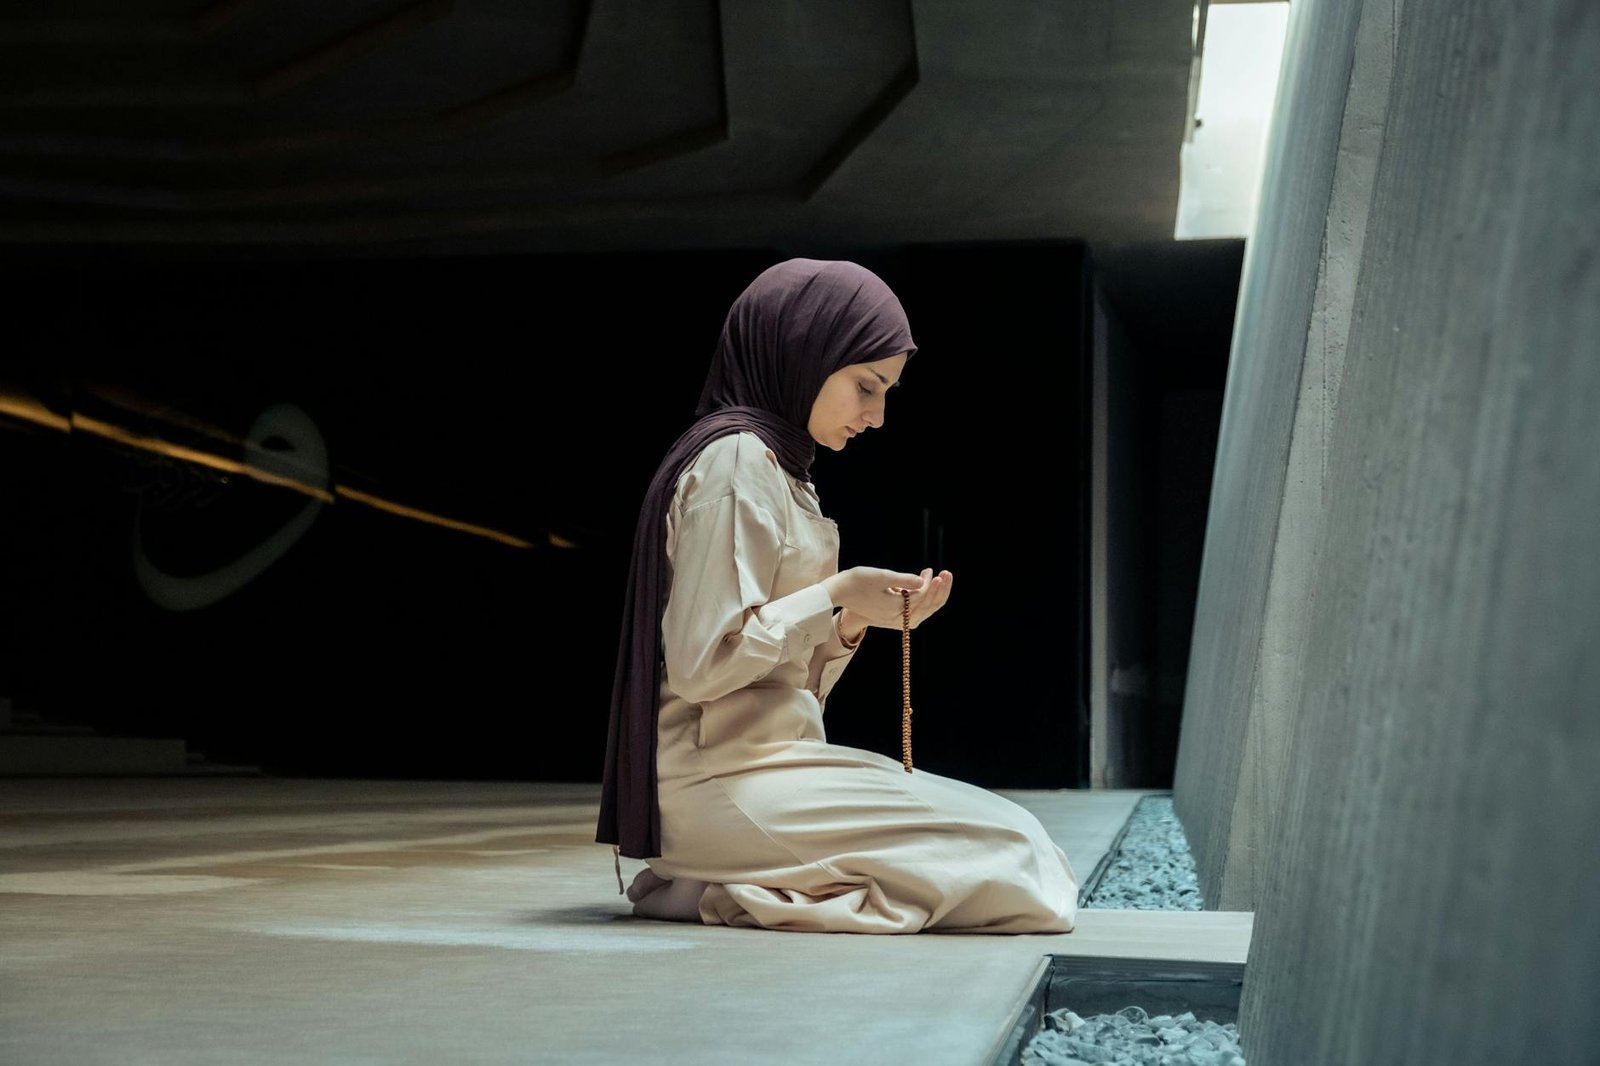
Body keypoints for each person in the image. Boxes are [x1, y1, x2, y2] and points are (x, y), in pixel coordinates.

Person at [595, 258, 1079, 933]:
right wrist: (831, 592)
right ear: (803, 354)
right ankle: (718, 886)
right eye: (865, 386)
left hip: (775, 764)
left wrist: (850, 620)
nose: (876, 416)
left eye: (886, 393)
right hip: (715, 780)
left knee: (1026, 842)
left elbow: (786, 687)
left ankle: (718, 889)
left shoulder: (784, 472)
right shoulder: (736, 462)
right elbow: (704, 668)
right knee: (1019, 861)